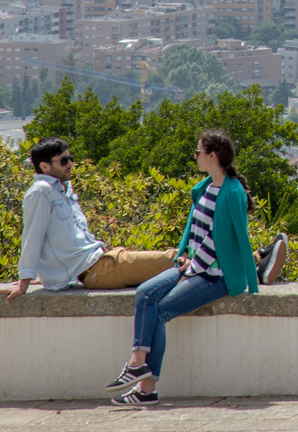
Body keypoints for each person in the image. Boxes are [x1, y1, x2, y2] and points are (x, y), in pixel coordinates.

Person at [0, 136, 288, 301]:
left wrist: (44, 275)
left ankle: (256, 260)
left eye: (71, 158)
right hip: (97, 270)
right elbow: (32, 236)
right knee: (179, 258)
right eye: (64, 161)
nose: (71, 164)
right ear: (44, 166)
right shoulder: (40, 193)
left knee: (185, 258)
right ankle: (256, 263)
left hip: (102, 259)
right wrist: (24, 280)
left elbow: (61, 241)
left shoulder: (63, 189)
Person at [107, 129, 263, 405]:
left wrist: (191, 268)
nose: (195, 156)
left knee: (162, 310)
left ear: (212, 155)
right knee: (145, 293)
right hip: (191, 264)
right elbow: (194, 229)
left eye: (198, 151)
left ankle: (145, 387)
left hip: (216, 274)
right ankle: (139, 365)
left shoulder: (232, 192)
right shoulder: (206, 187)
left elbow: (221, 240)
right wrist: (182, 256)